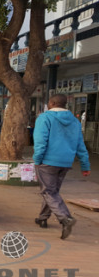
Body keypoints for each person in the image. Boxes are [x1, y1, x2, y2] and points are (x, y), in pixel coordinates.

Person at [33, 94, 91, 240]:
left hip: (47, 161)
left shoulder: (44, 118)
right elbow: (80, 145)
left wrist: (37, 160)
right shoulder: (75, 122)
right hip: (65, 162)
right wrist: (85, 165)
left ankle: (65, 218)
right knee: (52, 191)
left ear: (51, 103)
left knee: (49, 192)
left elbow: (40, 142)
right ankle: (42, 218)